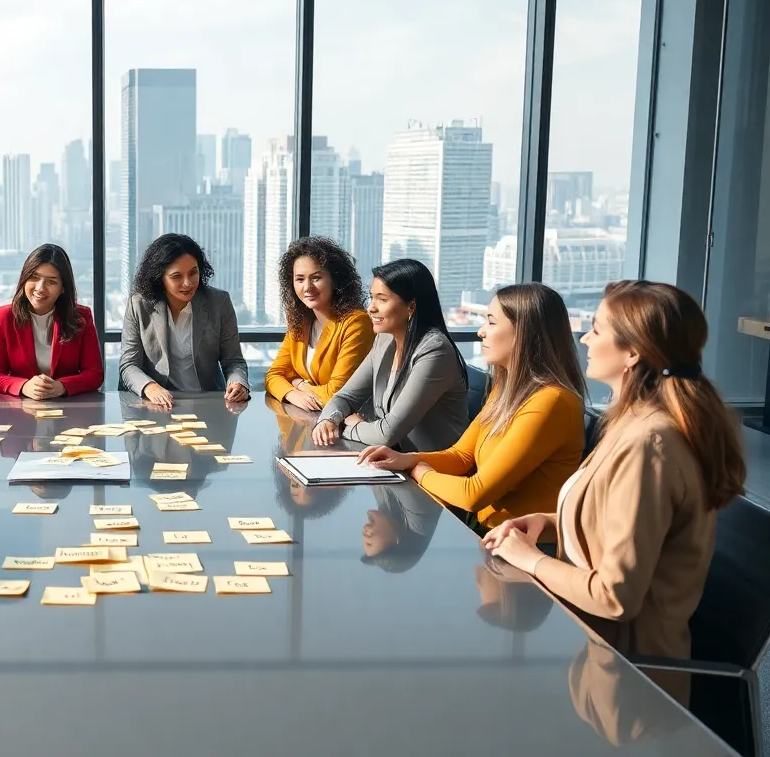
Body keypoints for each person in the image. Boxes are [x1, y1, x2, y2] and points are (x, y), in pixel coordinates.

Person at [484, 280, 746, 666]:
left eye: (597, 329)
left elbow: (614, 596)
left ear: (633, 353)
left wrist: (530, 560)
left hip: (625, 678)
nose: (585, 339)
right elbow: (617, 520)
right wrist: (548, 521)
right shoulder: (632, 424)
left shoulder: (647, 445)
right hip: (592, 650)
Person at [360, 283, 586, 532]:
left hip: (526, 549)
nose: (481, 332)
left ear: (524, 332)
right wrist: (406, 459)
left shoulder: (551, 402)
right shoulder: (508, 390)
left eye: (491, 322)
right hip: (491, 537)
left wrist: (419, 470)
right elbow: (461, 456)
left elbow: (474, 495)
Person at [314, 259, 468, 451]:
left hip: (433, 471)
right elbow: (345, 397)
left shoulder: (435, 350)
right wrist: (328, 421)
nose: (371, 308)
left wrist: (346, 425)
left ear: (411, 306)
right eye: (372, 297)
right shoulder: (385, 340)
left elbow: (387, 434)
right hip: (395, 461)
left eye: (382, 299)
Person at [119, 233, 249, 405]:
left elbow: (233, 361)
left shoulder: (219, 303)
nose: (187, 283)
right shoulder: (139, 305)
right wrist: (150, 387)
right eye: (176, 277)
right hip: (158, 403)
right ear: (160, 278)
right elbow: (129, 364)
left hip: (208, 402)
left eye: (193, 273)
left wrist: (238, 382)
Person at [265, 236, 374, 411]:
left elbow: (337, 394)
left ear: (335, 279)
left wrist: (298, 384)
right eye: (299, 279)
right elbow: (273, 376)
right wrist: (292, 394)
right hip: (308, 422)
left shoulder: (356, 323)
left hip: (347, 425)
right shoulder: (301, 321)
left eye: (316, 278)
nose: (307, 287)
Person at [0, 244, 102, 397]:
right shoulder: (4, 316)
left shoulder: (81, 316)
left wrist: (62, 386)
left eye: (51, 281)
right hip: (20, 409)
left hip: (69, 409)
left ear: (63, 288)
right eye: (34, 277)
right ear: (24, 279)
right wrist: (24, 386)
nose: (40, 288)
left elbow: (95, 374)